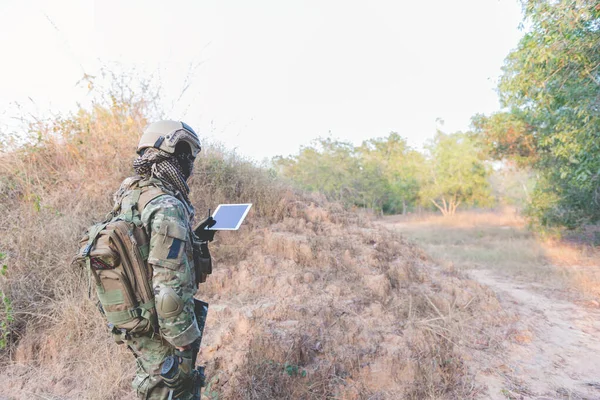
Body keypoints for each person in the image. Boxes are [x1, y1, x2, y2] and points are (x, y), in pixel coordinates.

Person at [111, 120, 209, 399]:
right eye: (187, 156)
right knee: (174, 390)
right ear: (174, 153)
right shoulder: (167, 205)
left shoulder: (131, 194)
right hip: (162, 327)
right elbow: (168, 285)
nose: (189, 164)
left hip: (136, 317)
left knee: (154, 387)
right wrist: (182, 345)